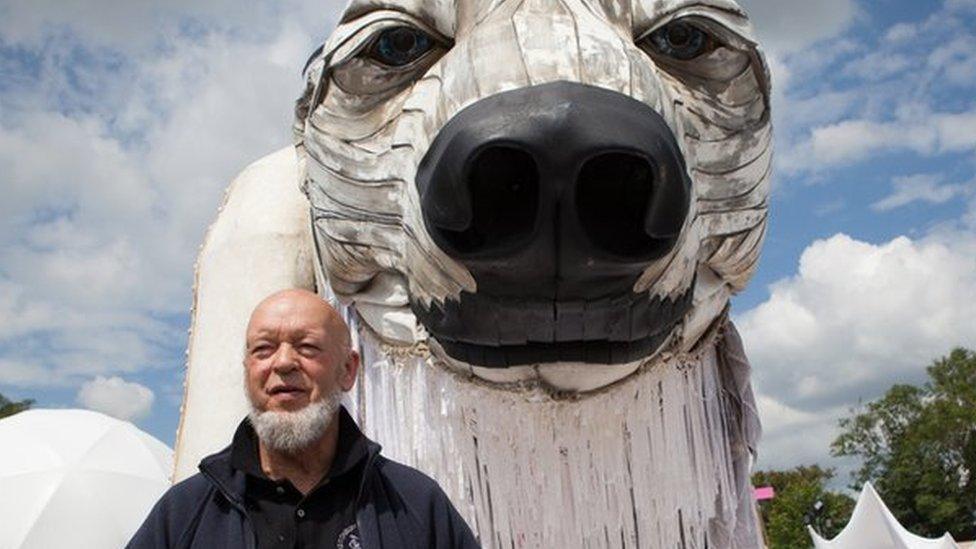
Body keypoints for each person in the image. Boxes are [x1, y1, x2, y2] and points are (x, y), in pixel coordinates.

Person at [129, 289, 480, 548]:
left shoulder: (415, 505)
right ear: (248, 371)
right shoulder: (184, 515)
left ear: (348, 370)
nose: (282, 363)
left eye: (307, 347)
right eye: (263, 349)